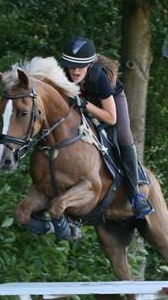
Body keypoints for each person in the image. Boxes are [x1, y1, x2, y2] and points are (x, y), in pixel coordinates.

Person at [59, 36, 154, 219]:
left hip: (111, 104)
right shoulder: (63, 73)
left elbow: (110, 118)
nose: (75, 71)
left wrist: (85, 104)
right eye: (71, 66)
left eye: (80, 66)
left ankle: (135, 195)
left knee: (123, 136)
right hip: (83, 103)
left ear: (89, 64)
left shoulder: (99, 76)